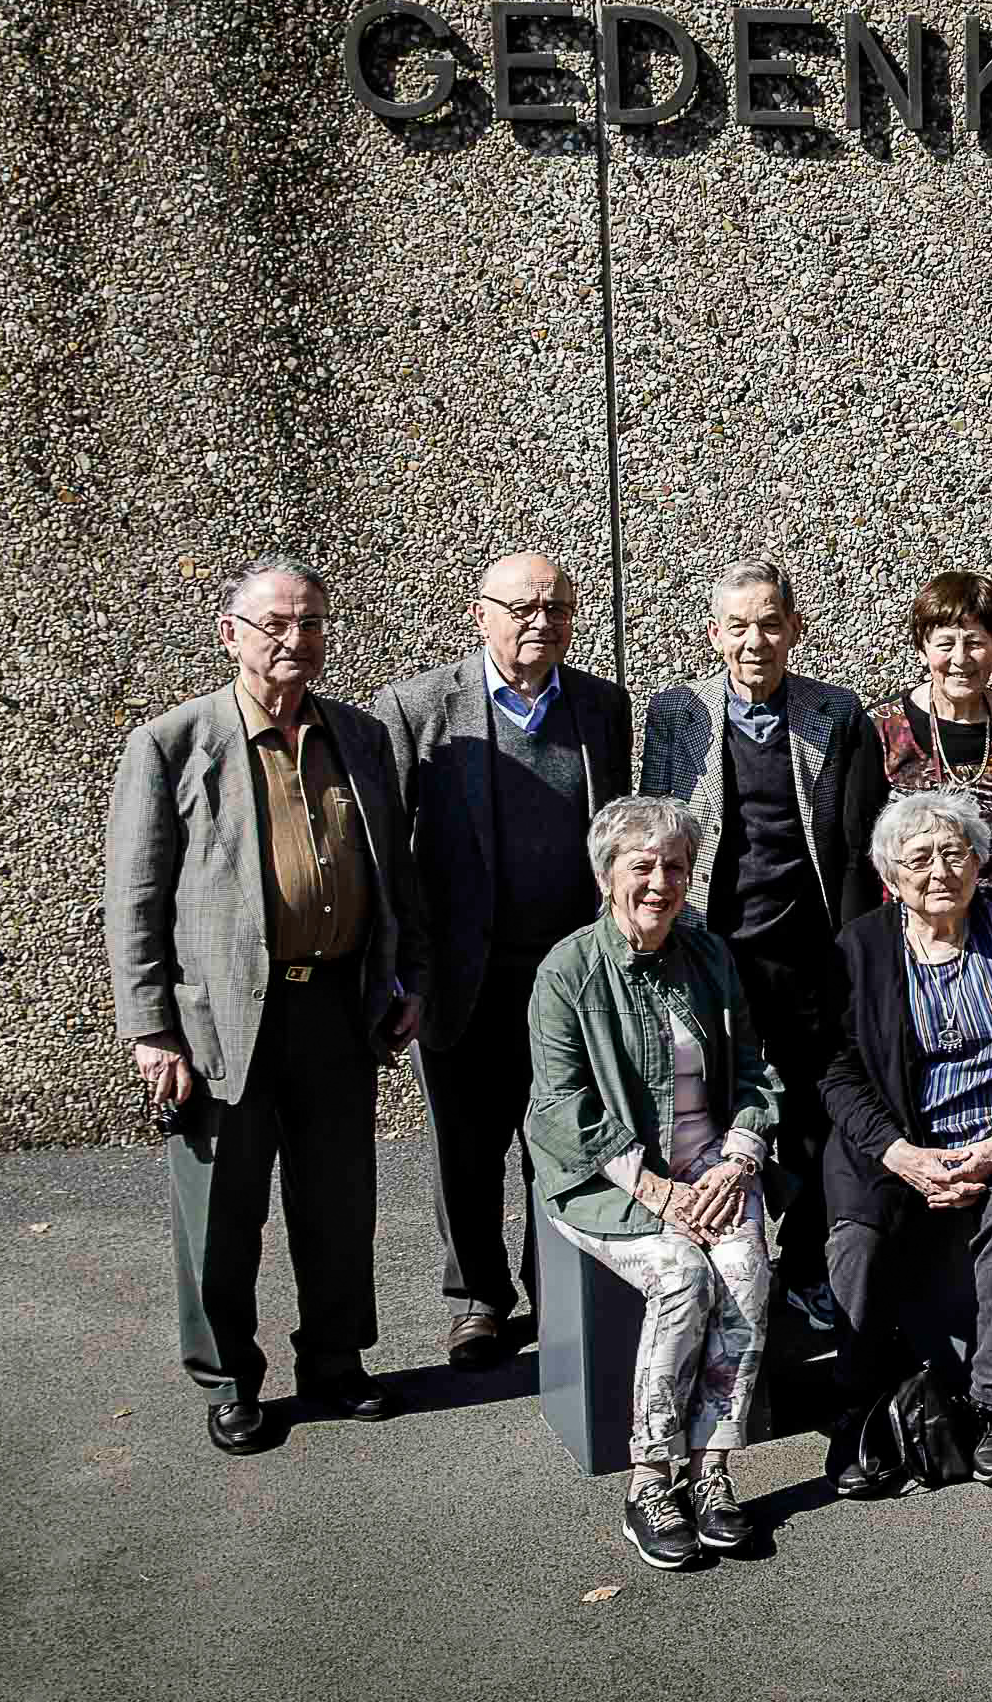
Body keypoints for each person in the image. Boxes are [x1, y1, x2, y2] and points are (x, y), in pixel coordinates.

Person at [106, 555, 426, 1454]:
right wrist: (151, 1028)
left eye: (310, 623)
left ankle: (335, 1360)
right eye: (275, 624)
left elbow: (397, 874)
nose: (295, 639)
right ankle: (228, 1380)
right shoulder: (172, 743)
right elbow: (134, 898)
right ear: (230, 634)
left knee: (338, 1201)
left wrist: (407, 979)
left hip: (337, 1009)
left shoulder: (359, 736)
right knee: (221, 1211)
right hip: (219, 1021)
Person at [372, 552, 633, 1372]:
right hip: (460, 974)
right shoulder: (417, 707)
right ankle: (478, 1299)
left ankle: (555, 1287)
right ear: (480, 613)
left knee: (562, 1138)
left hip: (567, 975)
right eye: (522, 607)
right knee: (466, 1146)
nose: (540, 622)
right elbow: (388, 852)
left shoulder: (601, 705)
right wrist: (402, 973)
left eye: (556, 607)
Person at [524, 796, 780, 1570]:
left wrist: (738, 1159)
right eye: (643, 866)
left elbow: (755, 1072)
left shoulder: (708, 957)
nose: (661, 883)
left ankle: (713, 1470)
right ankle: (650, 1482)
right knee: (681, 1277)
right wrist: (658, 1192)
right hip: (607, 1178)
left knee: (745, 1271)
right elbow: (559, 1106)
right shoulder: (568, 971)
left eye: (675, 867)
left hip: (711, 1167)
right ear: (607, 875)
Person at [818, 792, 992, 1494]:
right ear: (890, 876)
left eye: (954, 853)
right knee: (857, 1236)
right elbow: (834, 1069)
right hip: (897, 1140)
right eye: (920, 859)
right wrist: (900, 1153)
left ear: (979, 861)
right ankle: (860, 1406)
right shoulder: (859, 948)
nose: (940, 872)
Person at [640, 558, 874, 1329]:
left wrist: (849, 952)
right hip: (711, 953)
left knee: (810, 1120)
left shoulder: (834, 712)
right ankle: (715, 1269)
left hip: (805, 954)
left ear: (795, 629)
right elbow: (655, 831)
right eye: (738, 626)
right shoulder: (677, 714)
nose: (754, 641)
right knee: (705, 1115)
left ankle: (805, 1266)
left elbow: (855, 842)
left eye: (770, 624)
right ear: (714, 634)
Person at [847, 571, 992, 904]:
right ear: (922, 649)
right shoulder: (881, 727)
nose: (960, 659)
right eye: (945, 644)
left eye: (975, 643)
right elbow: (857, 848)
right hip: (907, 919)